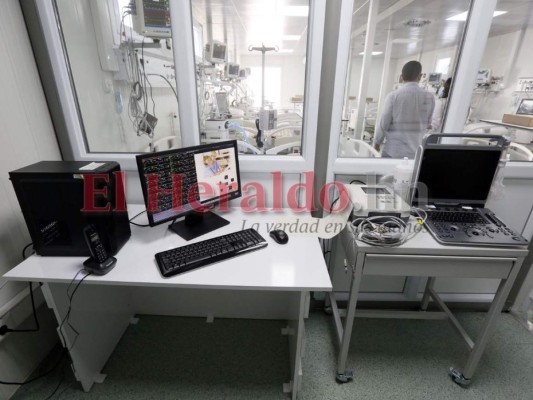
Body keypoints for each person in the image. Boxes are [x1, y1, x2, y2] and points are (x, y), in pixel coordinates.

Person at [374, 61, 435, 158]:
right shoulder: (429, 97)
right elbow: (428, 123)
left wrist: (377, 142)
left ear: (402, 77)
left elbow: (384, 123)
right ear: (420, 76)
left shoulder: (393, 96)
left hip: (394, 150)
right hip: (416, 151)